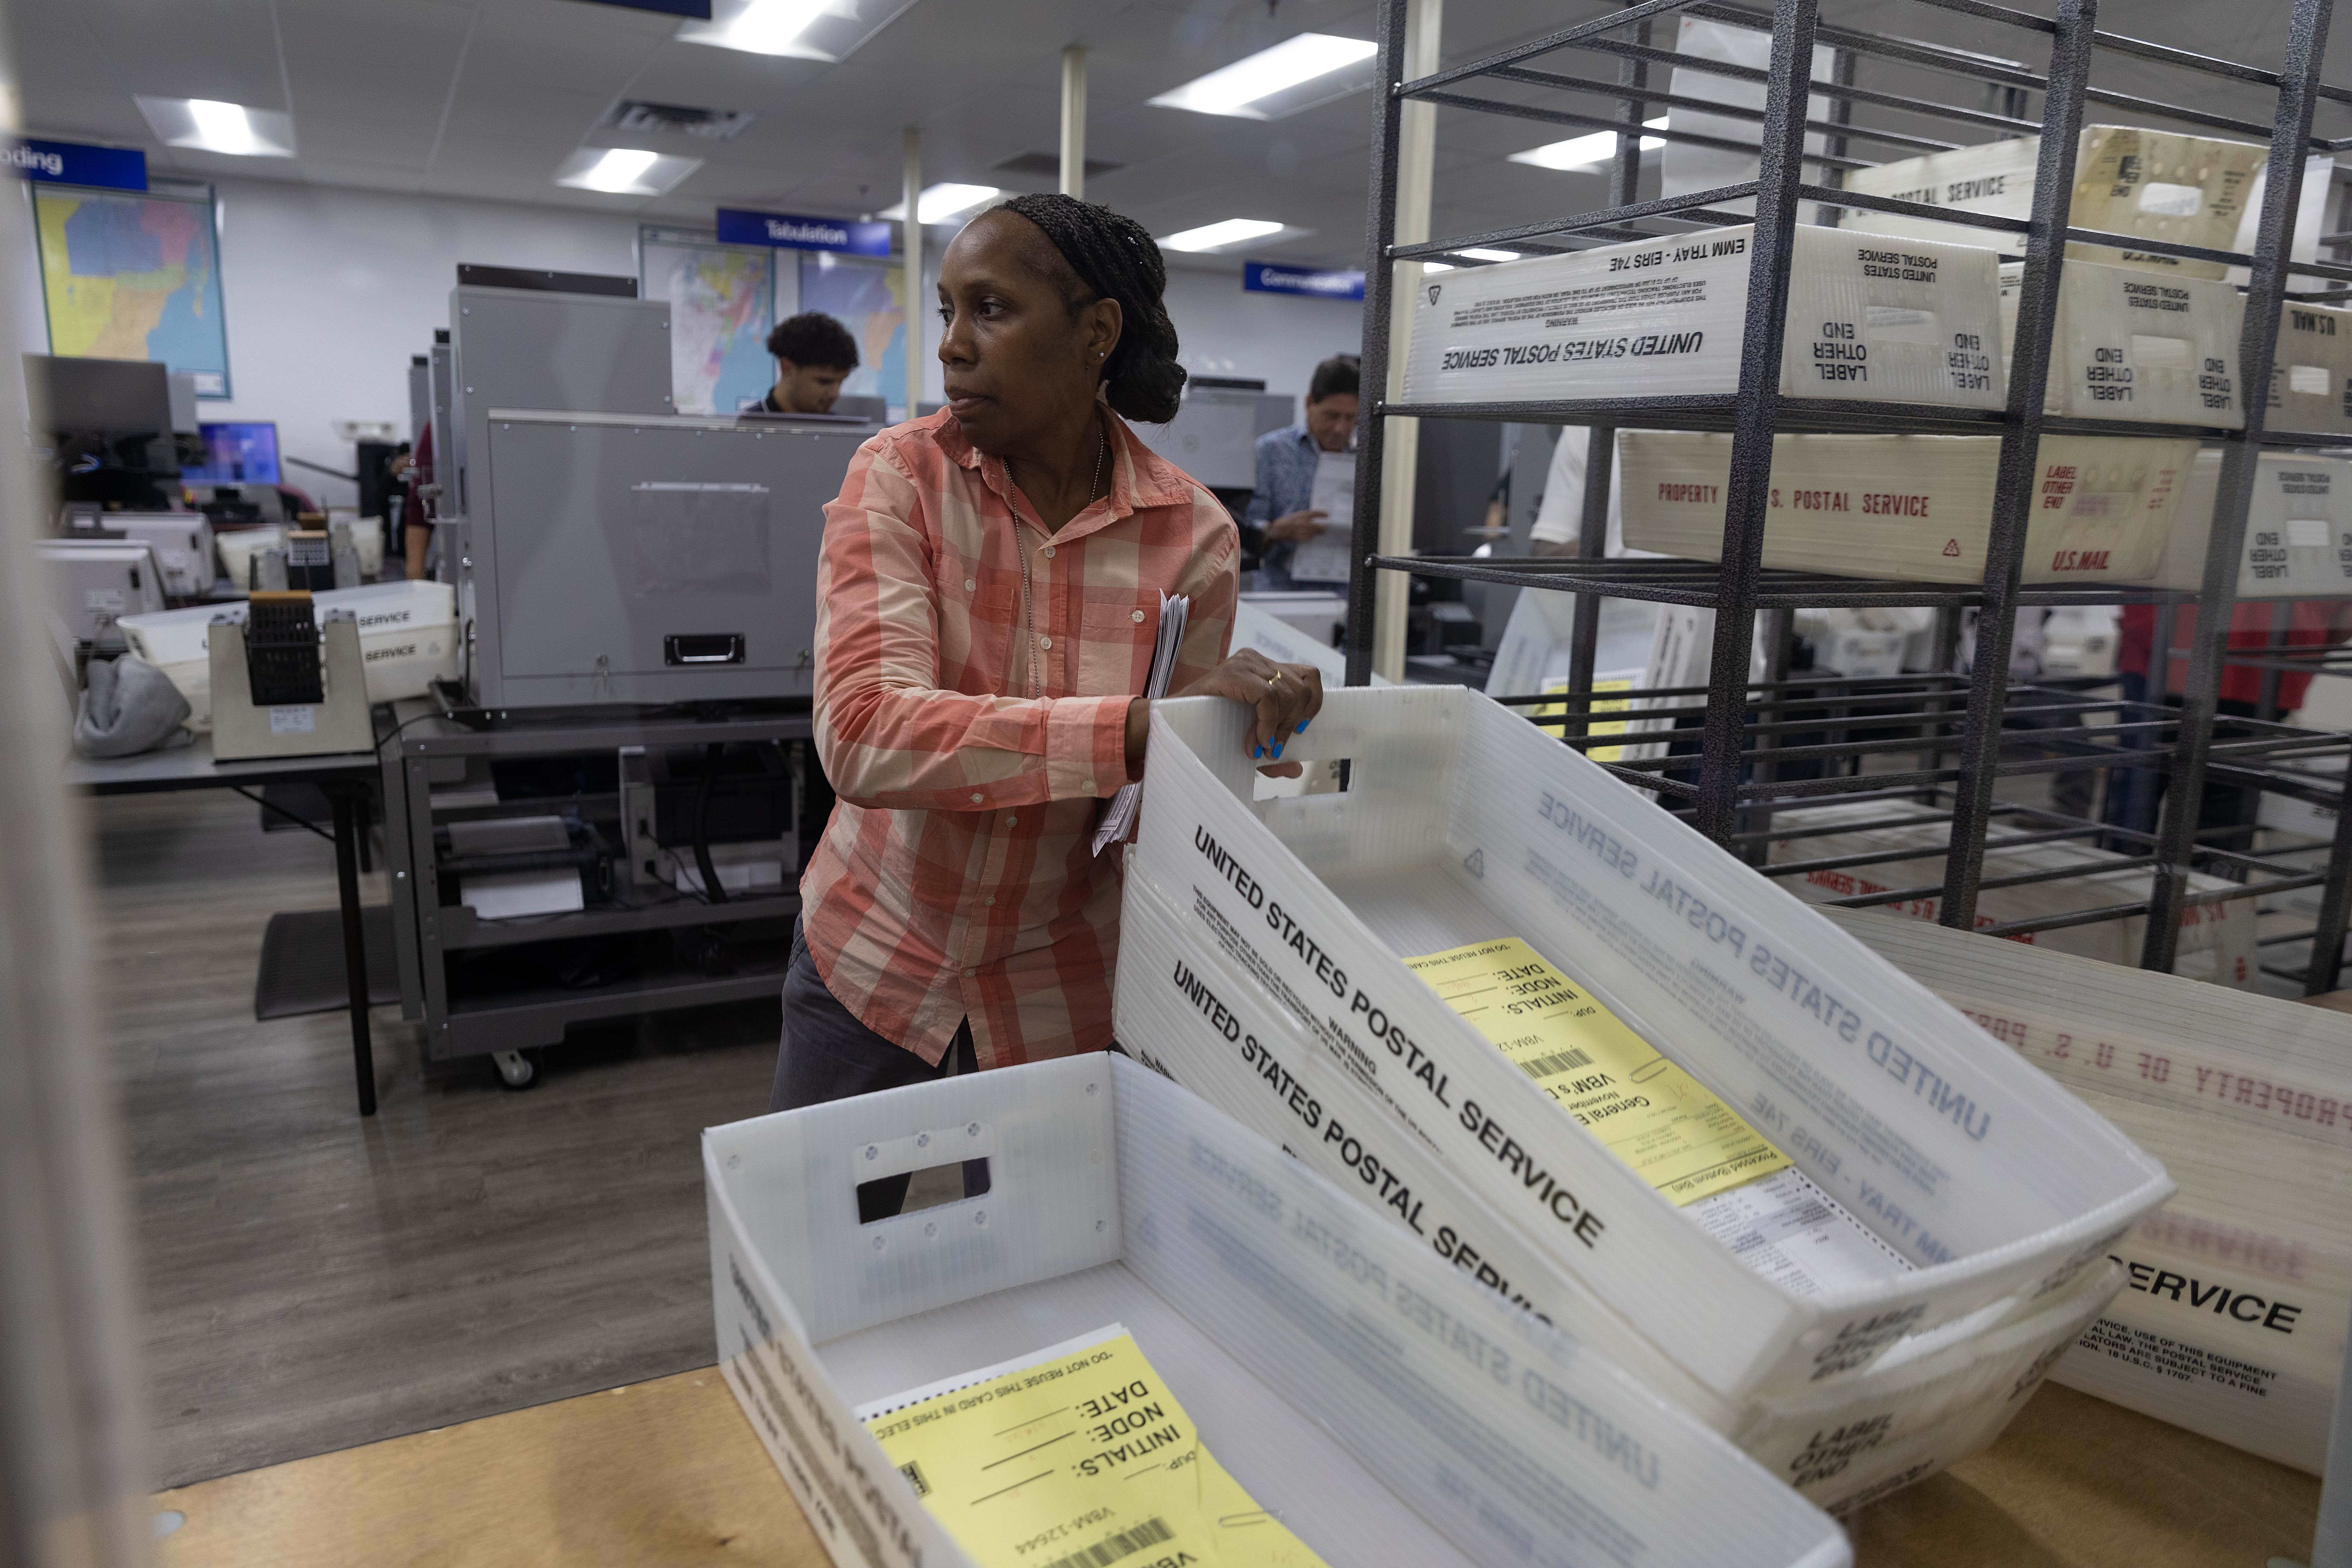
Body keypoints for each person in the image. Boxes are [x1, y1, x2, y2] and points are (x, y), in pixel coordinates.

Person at [770, 193, 1325, 1174]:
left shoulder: (1193, 537)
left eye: (990, 309)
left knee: (1044, 1257)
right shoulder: (900, 478)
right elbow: (863, 732)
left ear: (1096, 333)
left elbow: (1162, 795)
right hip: (877, 952)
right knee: (818, 1247)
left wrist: (1247, 750)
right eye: (948, 311)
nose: (951, 345)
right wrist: (1140, 730)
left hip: (1060, 982)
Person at [1246, 354, 1359, 590]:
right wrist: (1278, 530)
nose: (1340, 428)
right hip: (1280, 592)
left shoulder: (1368, 456)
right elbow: (1244, 533)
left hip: (1347, 595)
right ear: (1309, 404)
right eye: (1332, 416)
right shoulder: (1271, 451)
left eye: (1351, 418)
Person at [762, 312, 861, 415]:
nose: (835, 394)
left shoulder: (842, 424)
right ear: (788, 369)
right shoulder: (751, 424)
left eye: (841, 382)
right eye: (824, 382)